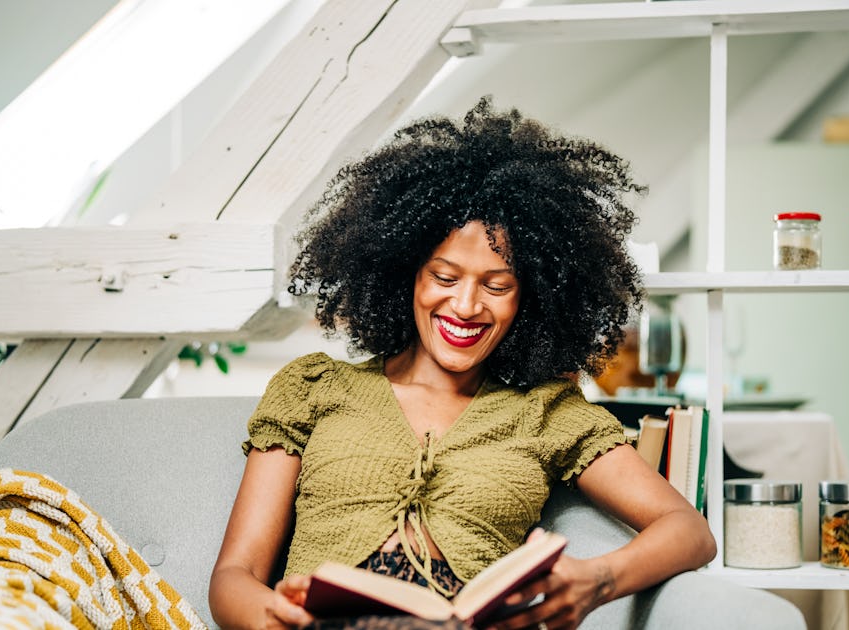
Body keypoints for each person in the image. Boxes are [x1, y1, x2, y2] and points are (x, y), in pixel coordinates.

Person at [209, 97, 716, 630]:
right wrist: (274, 619)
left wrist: (598, 580)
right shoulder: (314, 389)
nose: (467, 307)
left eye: (497, 286)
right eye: (445, 278)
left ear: (529, 300)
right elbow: (234, 576)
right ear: (405, 274)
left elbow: (689, 531)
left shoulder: (546, 412)